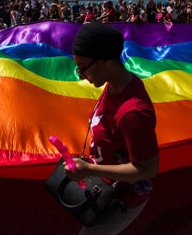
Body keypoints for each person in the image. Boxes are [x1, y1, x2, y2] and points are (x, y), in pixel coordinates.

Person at [66, 23, 159, 234]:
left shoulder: (133, 113)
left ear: (105, 62)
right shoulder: (114, 85)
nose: (80, 75)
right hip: (104, 186)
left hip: (121, 199)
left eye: (83, 67)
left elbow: (148, 169)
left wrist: (90, 169)